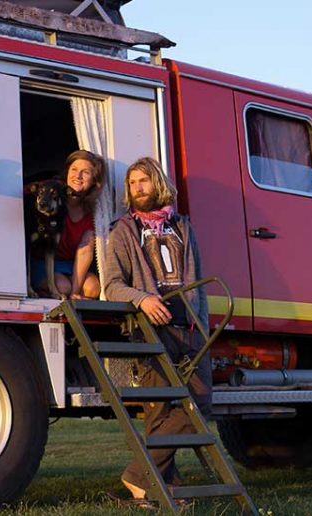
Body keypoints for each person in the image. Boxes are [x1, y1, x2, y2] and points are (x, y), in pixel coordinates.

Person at [104, 156, 211, 501]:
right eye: (132, 183)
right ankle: (162, 488)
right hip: (150, 329)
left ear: (158, 184)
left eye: (143, 181)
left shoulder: (183, 227)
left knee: (200, 402)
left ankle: (138, 475)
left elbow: (199, 285)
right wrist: (143, 300)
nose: (137, 188)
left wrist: (204, 327)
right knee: (160, 410)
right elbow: (113, 285)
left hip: (190, 327)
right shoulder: (123, 230)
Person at [31, 150, 104, 299]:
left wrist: (75, 292)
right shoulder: (50, 193)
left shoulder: (94, 209)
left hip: (69, 264)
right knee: (63, 287)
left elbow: (85, 250)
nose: (78, 176)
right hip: (42, 261)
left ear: (94, 180)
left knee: (92, 288)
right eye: (74, 170)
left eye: (85, 172)